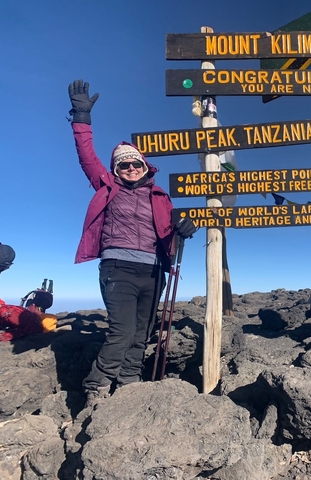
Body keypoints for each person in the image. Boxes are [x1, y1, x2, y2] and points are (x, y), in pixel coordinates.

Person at [67, 79, 197, 407]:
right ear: (115, 169)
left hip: (154, 272)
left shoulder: (160, 195)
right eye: (122, 164)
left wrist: (185, 226)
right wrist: (81, 117)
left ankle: (129, 385)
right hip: (118, 268)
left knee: (141, 334)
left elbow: (169, 230)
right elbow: (86, 156)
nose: (129, 167)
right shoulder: (106, 185)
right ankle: (97, 386)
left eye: (134, 162)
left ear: (144, 166)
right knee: (122, 331)